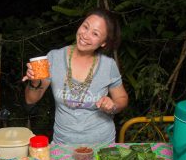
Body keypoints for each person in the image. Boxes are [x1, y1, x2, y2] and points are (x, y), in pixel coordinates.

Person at [22, 8, 128, 145]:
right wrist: (35, 82)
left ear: (103, 42)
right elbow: (30, 100)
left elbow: (122, 98)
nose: (85, 35)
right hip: (63, 144)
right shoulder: (54, 58)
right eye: (85, 27)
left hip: (101, 145)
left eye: (95, 34)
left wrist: (113, 105)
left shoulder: (108, 65)